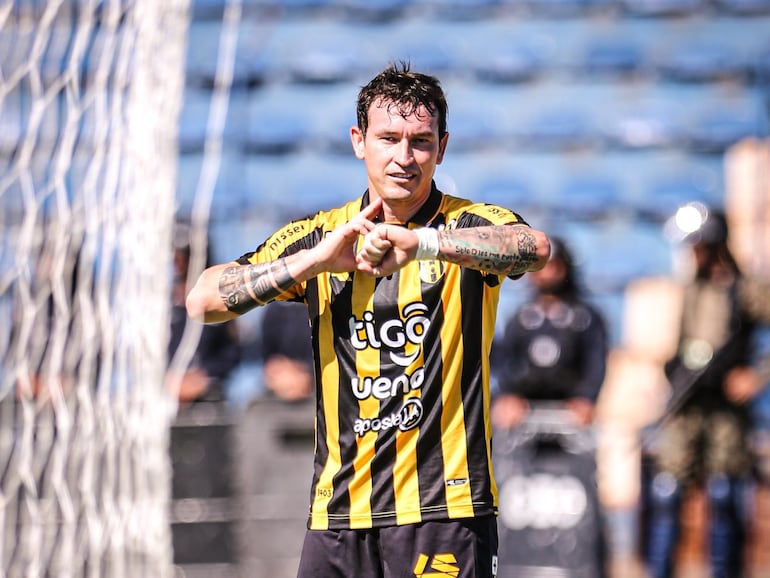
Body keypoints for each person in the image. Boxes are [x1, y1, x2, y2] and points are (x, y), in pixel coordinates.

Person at [186, 62, 551, 578]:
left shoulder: (466, 226)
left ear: (442, 148)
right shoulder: (322, 235)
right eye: (389, 138)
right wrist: (314, 262)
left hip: (443, 510)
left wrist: (422, 244)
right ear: (359, 141)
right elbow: (202, 300)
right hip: (338, 513)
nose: (405, 157)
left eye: (421, 141)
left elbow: (534, 247)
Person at [642, 206, 761, 578]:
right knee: (667, 494)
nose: (692, 252)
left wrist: (757, 374)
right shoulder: (687, 287)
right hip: (686, 406)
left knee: (725, 496)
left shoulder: (745, 290)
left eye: (698, 245)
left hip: (725, 410)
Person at [491, 237, 608, 429]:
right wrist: (507, 395)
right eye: (535, 266)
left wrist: (586, 397)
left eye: (550, 265)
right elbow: (505, 359)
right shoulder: (521, 317)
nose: (542, 273)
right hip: (525, 405)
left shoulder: (585, 318)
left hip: (570, 406)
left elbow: (596, 361)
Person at [167, 228, 240, 403]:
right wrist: (169, 377)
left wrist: (204, 375)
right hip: (168, 391)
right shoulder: (163, 303)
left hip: (208, 393)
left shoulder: (219, 297)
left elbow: (233, 351)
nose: (177, 261)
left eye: (183, 255)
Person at [259, 300, 314, 402]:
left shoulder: (323, 305)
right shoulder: (276, 309)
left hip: (317, 382)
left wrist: (305, 374)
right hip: (282, 381)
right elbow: (269, 358)